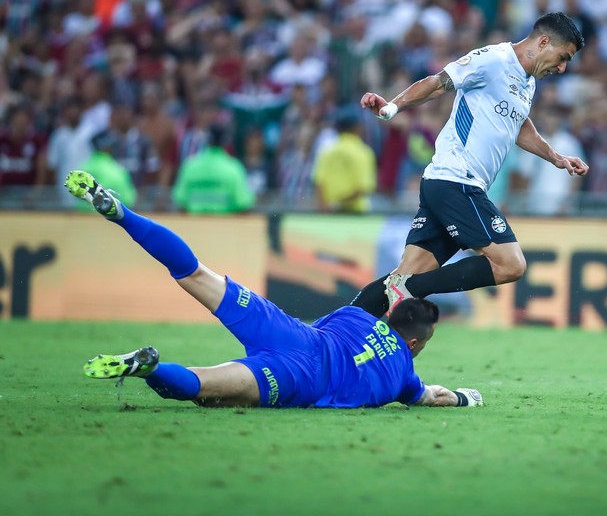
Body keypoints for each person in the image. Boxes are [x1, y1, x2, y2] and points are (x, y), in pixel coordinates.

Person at [64, 170, 484, 410]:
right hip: (299, 378)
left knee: (195, 274)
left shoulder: (357, 314)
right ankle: (149, 367)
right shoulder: (403, 378)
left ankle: (122, 214)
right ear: (413, 344)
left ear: (389, 313)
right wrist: (467, 398)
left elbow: (367, 299)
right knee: (205, 386)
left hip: (292, 333)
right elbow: (435, 397)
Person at [355, 12, 588, 316]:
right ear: (544, 42)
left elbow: (517, 123)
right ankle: (412, 290)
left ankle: (331, 333)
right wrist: (392, 106)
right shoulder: (494, 60)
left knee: (402, 276)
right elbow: (438, 83)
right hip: (457, 181)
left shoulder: (527, 82)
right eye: (563, 57)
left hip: (447, 184)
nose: (562, 67)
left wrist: (555, 157)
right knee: (510, 264)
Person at [172, 125, 255, 214]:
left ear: (207, 141)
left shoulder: (189, 166)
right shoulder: (234, 168)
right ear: (225, 142)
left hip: (194, 225)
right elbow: (244, 204)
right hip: (225, 225)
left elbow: (180, 203)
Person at [312, 109, 377, 213]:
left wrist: (326, 205)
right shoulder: (363, 152)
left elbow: (318, 182)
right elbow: (363, 188)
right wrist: (339, 204)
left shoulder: (327, 150)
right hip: (356, 216)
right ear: (357, 127)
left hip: (329, 216)